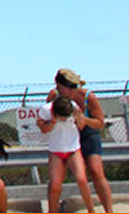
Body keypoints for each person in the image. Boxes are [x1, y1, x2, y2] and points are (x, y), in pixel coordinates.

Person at [47, 69, 113, 212]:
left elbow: (100, 122)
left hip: (87, 133)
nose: (58, 89)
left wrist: (83, 118)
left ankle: (108, 210)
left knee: (96, 171)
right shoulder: (55, 96)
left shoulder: (88, 97)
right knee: (56, 178)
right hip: (67, 135)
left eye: (61, 87)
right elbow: (47, 114)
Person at [37, 95, 95, 214]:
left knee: (82, 180)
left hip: (73, 148)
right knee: (55, 186)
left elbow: (81, 126)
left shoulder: (74, 107)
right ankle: (53, 211)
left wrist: (78, 118)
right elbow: (43, 129)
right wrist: (52, 122)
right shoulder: (45, 110)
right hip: (56, 150)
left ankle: (91, 210)